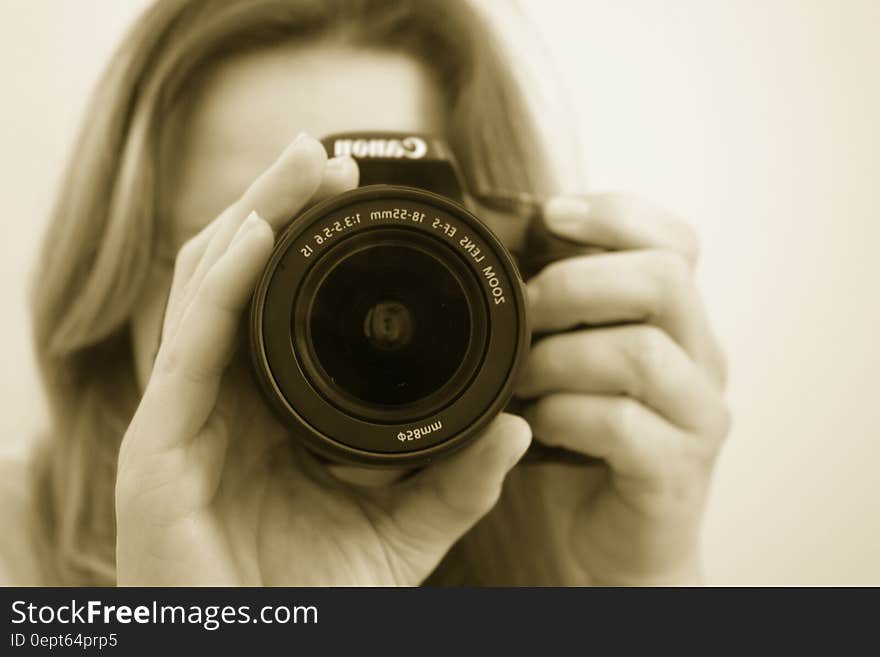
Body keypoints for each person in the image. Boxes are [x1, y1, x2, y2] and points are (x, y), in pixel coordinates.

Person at [3, 0, 729, 586]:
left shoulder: (579, 536)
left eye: (404, 261)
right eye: (247, 250)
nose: (357, 316)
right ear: (116, 282)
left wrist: (632, 584)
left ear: (513, 277)